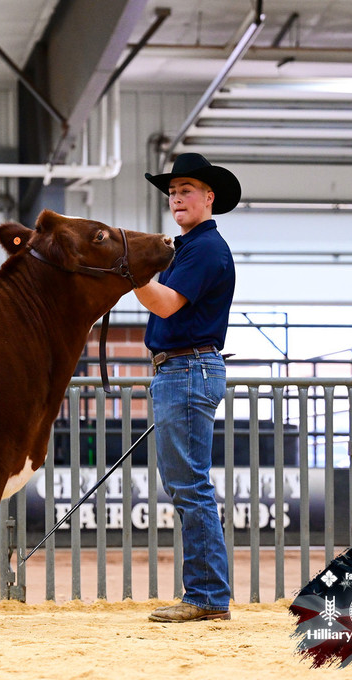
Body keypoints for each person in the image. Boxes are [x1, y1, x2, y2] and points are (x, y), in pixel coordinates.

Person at [133, 152, 240, 623]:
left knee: (190, 485)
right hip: (181, 371)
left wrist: (128, 272)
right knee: (188, 484)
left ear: (208, 197)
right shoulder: (188, 247)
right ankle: (205, 594)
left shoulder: (203, 249)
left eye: (186, 190)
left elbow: (167, 304)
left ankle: (207, 596)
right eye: (173, 192)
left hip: (186, 369)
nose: (177, 198)